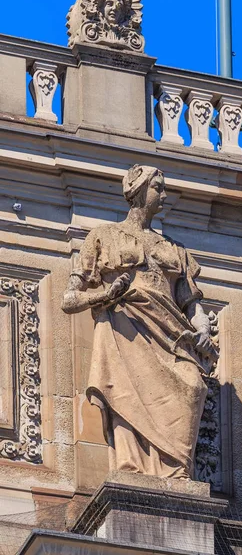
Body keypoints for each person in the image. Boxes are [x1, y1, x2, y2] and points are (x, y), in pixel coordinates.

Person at [62, 164, 217, 479]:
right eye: (158, 187)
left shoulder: (175, 248)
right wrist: (104, 298)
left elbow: (192, 303)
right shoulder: (103, 236)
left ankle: (176, 471)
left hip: (173, 333)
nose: (163, 194)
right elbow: (69, 299)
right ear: (136, 190)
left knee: (192, 386)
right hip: (125, 328)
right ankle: (132, 468)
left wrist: (202, 331)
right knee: (126, 394)